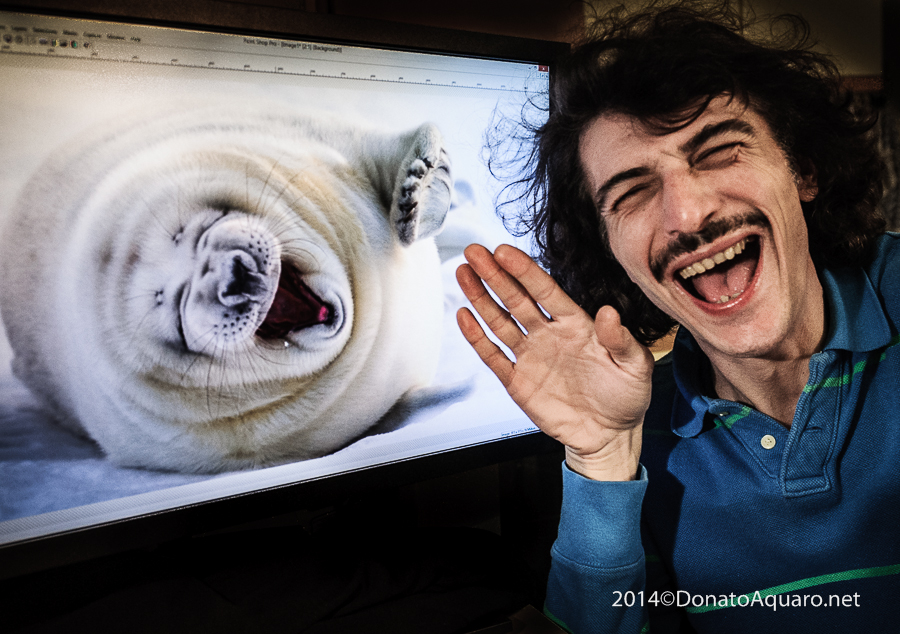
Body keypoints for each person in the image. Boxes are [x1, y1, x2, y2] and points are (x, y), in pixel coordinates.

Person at [455, 3, 899, 632]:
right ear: (611, 252)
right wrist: (604, 461)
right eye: (632, 192)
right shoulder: (638, 432)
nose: (687, 215)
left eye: (718, 152)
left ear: (803, 170)